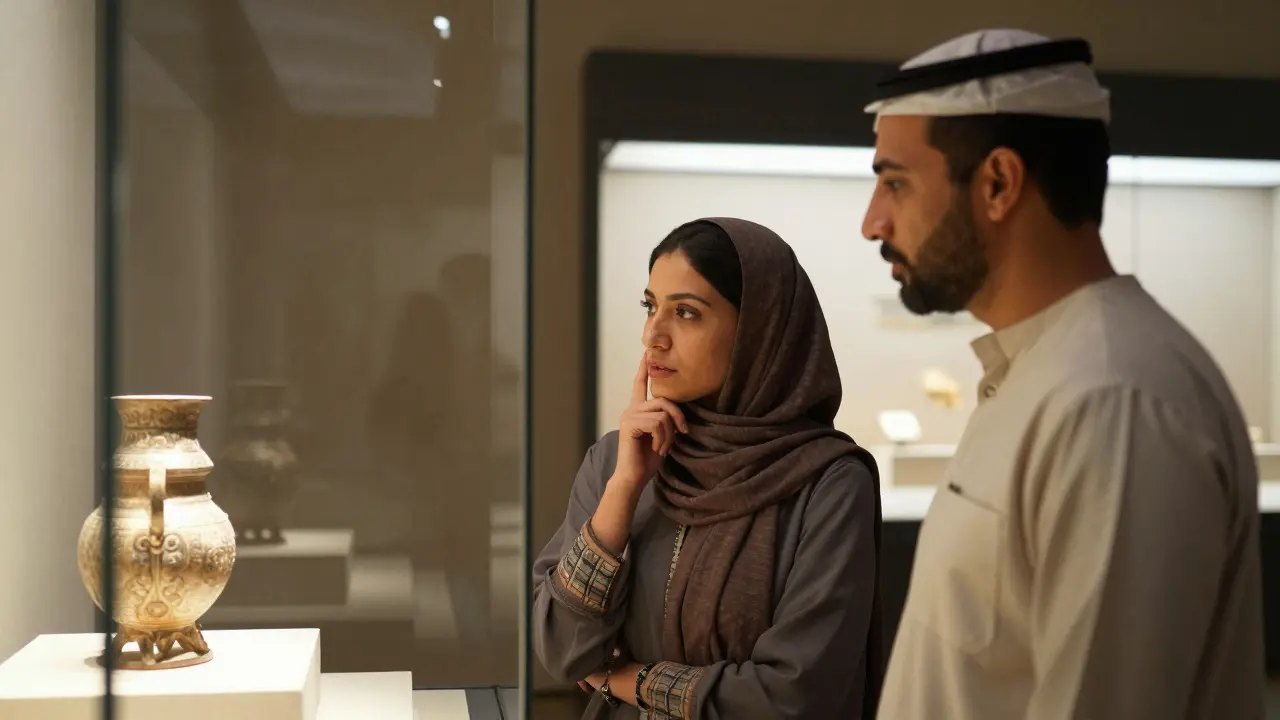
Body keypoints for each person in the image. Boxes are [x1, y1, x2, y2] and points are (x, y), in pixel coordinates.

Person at [861, 28, 1266, 719]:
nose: (874, 223)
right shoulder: (1047, 372)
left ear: (997, 183)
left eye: (895, 182)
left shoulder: (1114, 402)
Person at [532, 218, 885, 719]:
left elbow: (795, 694)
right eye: (650, 306)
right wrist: (624, 490)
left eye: (687, 313)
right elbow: (561, 653)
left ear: (758, 331)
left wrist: (624, 678)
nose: (653, 336)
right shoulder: (618, 460)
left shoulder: (827, 482)